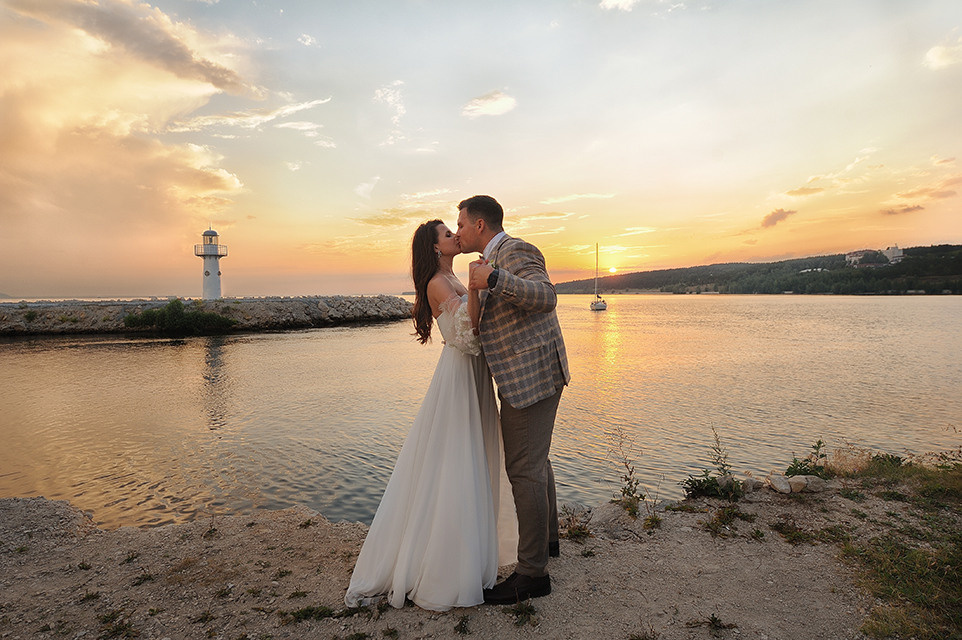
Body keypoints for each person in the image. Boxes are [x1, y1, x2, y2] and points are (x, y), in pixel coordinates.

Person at [344, 219, 517, 611]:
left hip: (474, 377)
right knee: (455, 462)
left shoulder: (454, 276)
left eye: (454, 230)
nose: (455, 235)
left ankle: (471, 554)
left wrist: (476, 284)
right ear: (435, 248)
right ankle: (446, 569)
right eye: (446, 233)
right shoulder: (438, 284)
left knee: (472, 460)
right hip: (460, 376)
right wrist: (476, 288)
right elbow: (467, 337)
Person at [456, 194, 570, 605]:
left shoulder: (514, 250)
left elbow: (546, 296)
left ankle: (531, 574)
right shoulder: (486, 261)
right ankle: (548, 543)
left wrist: (495, 280)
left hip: (531, 378)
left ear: (481, 225)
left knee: (524, 470)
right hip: (526, 377)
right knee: (537, 463)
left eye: (463, 224)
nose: (459, 231)